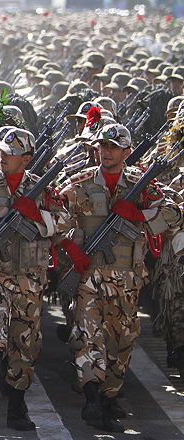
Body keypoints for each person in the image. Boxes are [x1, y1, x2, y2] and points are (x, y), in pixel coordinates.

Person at [58, 123, 183, 433]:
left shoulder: (142, 187)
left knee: (121, 343)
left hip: (127, 281)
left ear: (127, 152)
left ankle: (108, 396)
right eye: (103, 146)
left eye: (114, 147)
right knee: (89, 338)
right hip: (88, 279)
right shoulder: (80, 184)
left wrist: (139, 215)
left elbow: (175, 215)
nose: (107, 152)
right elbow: (52, 217)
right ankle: (92, 400)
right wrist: (72, 248)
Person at [0, 127, 70, 431]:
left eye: (9, 153)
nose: (1, 157)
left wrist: (38, 215)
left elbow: (65, 221)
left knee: (25, 343)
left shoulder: (41, 189)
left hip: (30, 277)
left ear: (26, 158)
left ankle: (16, 406)